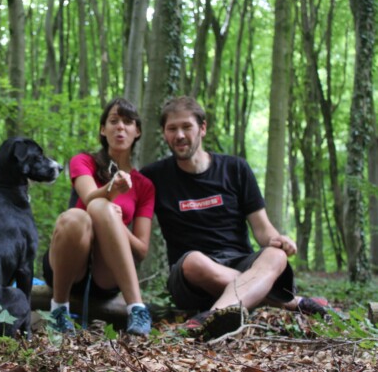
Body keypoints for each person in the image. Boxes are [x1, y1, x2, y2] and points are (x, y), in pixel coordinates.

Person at [140, 96, 329, 340]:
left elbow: (263, 231)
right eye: (172, 128)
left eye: (187, 126)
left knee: (276, 255)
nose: (179, 135)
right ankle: (291, 302)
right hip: (190, 277)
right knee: (195, 261)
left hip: (241, 261)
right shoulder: (154, 177)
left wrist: (278, 240)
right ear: (164, 133)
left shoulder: (235, 169)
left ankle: (214, 315)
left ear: (202, 128)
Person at [42, 97, 155, 336]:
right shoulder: (83, 161)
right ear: (103, 130)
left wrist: (118, 225)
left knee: (104, 209)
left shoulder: (144, 186)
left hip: (107, 275)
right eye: (113, 121)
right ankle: (58, 310)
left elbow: (142, 250)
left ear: (138, 131)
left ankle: (137, 308)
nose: (120, 127)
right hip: (69, 264)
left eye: (127, 122)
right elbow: (90, 196)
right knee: (79, 215)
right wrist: (111, 190)